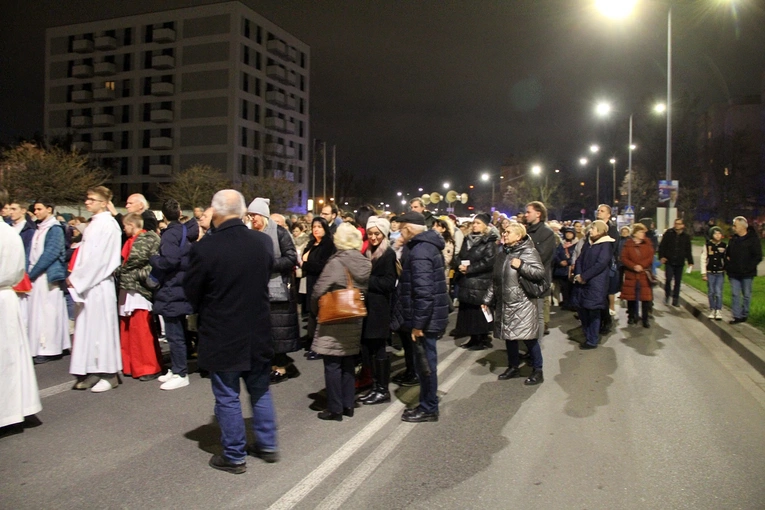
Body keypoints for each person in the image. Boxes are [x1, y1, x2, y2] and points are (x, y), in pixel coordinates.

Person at [184, 190, 278, 474]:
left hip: (222, 331)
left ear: (217, 212)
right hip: (258, 328)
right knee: (260, 390)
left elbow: (192, 292)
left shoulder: (206, 248)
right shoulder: (262, 242)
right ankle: (267, 443)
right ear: (241, 212)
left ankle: (235, 455)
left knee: (227, 395)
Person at [311, 223, 371, 421]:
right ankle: (348, 404)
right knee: (348, 362)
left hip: (334, 318)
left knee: (332, 363)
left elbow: (319, 290)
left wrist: (315, 310)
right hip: (354, 316)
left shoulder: (336, 263)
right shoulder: (365, 262)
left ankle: (335, 408)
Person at [67, 186, 123, 392]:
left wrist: (78, 279)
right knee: (87, 329)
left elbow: (100, 260)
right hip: (88, 284)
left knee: (101, 329)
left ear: (102, 202)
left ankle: (109, 373)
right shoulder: (94, 224)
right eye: (87, 198)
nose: (87, 202)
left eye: (91, 199)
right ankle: (91, 369)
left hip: (98, 284)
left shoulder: (108, 225)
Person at [396, 211, 450, 422]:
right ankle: (427, 403)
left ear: (408, 229)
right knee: (425, 364)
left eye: (401, 228)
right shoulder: (427, 246)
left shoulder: (419, 252)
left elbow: (424, 293)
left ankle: (429, 408)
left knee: (426, 365)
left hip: (425, 320)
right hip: (429, 317)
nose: (400, 233)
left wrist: (418, 325)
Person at [0, 188, 42, 430]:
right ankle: (13, 410)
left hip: (4, 294)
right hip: (7, 296)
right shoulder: (10, 233)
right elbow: (18, 270)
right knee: (10, 358)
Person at [246, 198, 301, 384]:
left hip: (278, 290)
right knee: (265, 332)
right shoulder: (250, 234)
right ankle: (271, 365)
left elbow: (291, 257)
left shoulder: (280, 233)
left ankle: (281, 367)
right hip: (256, 290)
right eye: (250, 215)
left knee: (279, 333)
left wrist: (268, 264)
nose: (252, 219)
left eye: (255, 215)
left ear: (264, 215)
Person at [483, 222, 545, 384]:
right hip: (505, 303)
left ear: (518, 236)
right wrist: (487, 299)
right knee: (509, 337)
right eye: (504, 232)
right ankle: (513, 367)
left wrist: (522, 265)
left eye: (508, 232)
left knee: (529, 338)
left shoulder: (528, 251)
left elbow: (539, 273)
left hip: (522, 303)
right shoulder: (503, 253)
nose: (504, 234)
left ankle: (538, 370)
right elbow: (495, 280)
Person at [150, 199, 197, 390]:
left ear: (163, 215)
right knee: (178, 330)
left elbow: (170, 260)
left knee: (174, 333)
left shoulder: (170, 234)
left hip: (171, 286)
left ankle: (180, 371)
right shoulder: (186, 231)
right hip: (182, 285)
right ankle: (177, 368)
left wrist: (154, 260)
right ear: (179, 213)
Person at [114, 213, 163, 380]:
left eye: (125, 226)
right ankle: (130, 365)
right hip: (127, 288)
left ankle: (148, 367)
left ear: (132, 224)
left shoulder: (146, 239)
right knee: (127, 328)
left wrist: (125, 272)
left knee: (141, 329)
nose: (124, 229)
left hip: (138, 290)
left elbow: (139, 262)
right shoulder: (129, 241)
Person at [358, 216, 397, 405]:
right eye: (371, 233)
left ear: (384, 234)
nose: (373, 237)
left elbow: (389, 283)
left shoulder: (388, 254)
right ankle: (375, 385)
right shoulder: (369, 251)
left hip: (379, 309)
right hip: (368, 308)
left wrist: (365, 280)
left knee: (379, 349)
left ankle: (382, 389)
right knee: (368, 349)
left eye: (377, 234)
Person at [27, 200, 70, 364]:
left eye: (39, 209)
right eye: (35, 209)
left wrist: (33, 273)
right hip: (37, 274)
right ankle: (58, 344)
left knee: (48, 313)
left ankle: (48, 348)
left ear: (49, 209)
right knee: (40, 312)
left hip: (47, 275)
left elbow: (50, 253)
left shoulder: (55, 228)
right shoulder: (39, 228)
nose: (36, 212)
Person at [570, 220, 615, 349]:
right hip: (583, 281)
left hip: (596, 283)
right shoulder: (588, 243)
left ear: (600, 231)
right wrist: (578, 275)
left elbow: (601, 264)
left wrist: (584, 276)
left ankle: (592, 339)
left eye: (593, 229)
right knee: (582, 309)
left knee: (593, 310)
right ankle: (587, 334)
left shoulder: (605, 244)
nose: (590, 231)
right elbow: (579, 259)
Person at [456, 213, 498, 350]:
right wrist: (459, 265)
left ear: (485, 225)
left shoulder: (489, 242)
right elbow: (460, 255)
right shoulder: (467, 239)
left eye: (478, 223)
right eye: (474, 223)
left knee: (479, 312)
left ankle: (482, 338)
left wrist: (469, 269)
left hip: (481, 282)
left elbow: (489, 262)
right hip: (467, 280)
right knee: (469, 312)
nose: (475, 225)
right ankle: (473, 338)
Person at [300, 217, 337, 360]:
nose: (316, 229)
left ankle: (320, 346)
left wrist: (304, 265)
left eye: (319, 226)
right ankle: (312, 341)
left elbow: (323, 266)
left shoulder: (328, 244)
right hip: (310, 281)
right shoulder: (311, 243)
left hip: (321, 282)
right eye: (314, 226)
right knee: (312, 313)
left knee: (320, 314)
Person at [525, 202, 556, 336]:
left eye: (528, 212)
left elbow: (542, 256)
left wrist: (521, 258)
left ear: (538, 214)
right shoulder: (526, 230)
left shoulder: (547, 233)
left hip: (538, 279)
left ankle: (534, 351)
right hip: (524, 277)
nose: (526, 215)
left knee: (538, 316)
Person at [725, 216, 763, 324]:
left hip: (747, 273)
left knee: (746, 294)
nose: (733, 228)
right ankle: (736, 316)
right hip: (734, 273)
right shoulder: (733, 239)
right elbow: (727, 255)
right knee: (735, 294)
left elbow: (758, 256)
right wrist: (728, 266)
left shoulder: (753, 239)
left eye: (735, 225)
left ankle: (744, 314)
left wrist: (748, 268)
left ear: (742, 227)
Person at [620, 224, 654, 328]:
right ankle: (631, 316)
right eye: (640, 232)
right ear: (634, 233)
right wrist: (633, 266)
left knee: (645, 298)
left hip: (643, 273)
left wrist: (642, 266)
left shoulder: (647, 243)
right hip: (631, 274)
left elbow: (650, 256)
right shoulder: (628, 244)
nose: (643, 234)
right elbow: (624, 257)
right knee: (631, 297)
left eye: (643, 232)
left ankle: (645, 318)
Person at [658, 218, 694, 307]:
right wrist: (661, 257)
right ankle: (667, 296)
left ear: (682, 225)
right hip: (669, 261)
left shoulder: (686, 237)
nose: (677, 225)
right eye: (676, 223)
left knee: (678, 281)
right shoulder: (669, 234)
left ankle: (675, 299)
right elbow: (662, 246)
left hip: (679, 262)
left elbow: (688, 250)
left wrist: (690, 261)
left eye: (679, 224)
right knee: (669, 279)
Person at [700, 226, 726, 320]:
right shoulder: (707, 246)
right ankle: (712, 309)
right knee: (711, 292)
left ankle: (718, 310)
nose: (718, 235)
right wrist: (703, 273)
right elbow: (703, 259)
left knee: (718, 292)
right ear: (711, 235)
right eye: (715, 233)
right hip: (710, 272)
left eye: (719, 233)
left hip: (720, 272)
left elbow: (726, 259)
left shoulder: (724, 246)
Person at [553, 227, 576, 310]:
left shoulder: (576, 244)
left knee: (572, 288)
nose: (568, 234)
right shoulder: (561, 244)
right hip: (562, 270)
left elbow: (576, 255)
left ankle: (572, 303)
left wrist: (569, 261)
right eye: (567, 233)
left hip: (571, 269)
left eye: (570, 233)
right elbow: (555, 254)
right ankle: (566, 302)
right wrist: (560, 261)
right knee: (564, 288)